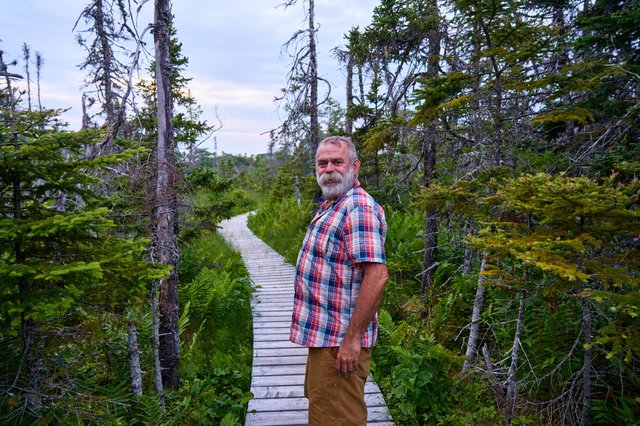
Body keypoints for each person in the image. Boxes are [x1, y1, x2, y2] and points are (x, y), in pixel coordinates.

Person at [290, 136, 388, 425]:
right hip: (325, 338)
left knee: (338, 418)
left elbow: (377, 275)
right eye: (323, 163)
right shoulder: (334, 204)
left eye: (337, 162)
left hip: (339, 343)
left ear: (354, 166)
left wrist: (352, 340)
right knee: (325, 412)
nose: (329, 169)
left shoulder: (358, 209)